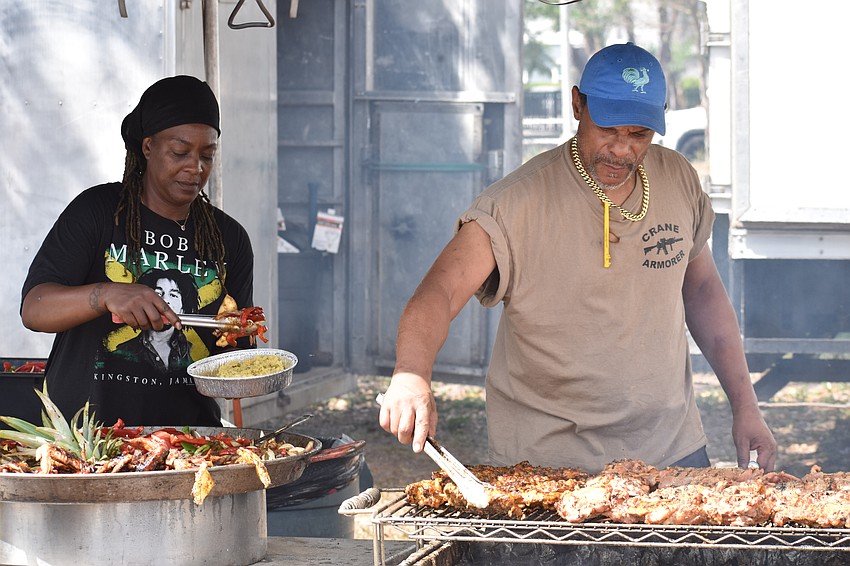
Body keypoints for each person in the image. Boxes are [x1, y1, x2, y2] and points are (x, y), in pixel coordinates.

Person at [378, 43, 778, 474]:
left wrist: (746, 406)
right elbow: (438, 291)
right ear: (577, 105)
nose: (622, 150)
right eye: (608, 128)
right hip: (546, 466)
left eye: (639, 134)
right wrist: (411, 373)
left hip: (671, 453)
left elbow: (701, 291)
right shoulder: (515, 203)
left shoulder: (678, 177)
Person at [20, 75, 255, 427]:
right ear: (148, 147)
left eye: (207, 155)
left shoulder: (229, 238)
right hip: (84, 442)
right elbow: (35, 309)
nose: (196, 168)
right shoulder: (97, 211)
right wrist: (106, 294)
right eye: (180, 152)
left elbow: (237, 348)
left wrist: (239, 346)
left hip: (186, 443)